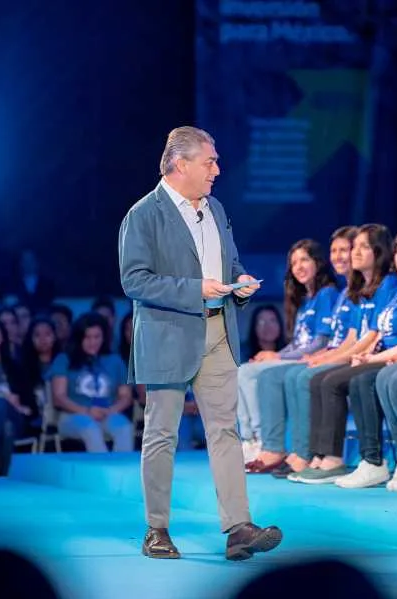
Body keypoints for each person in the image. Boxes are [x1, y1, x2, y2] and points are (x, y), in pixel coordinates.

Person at [118, 125, 281, 561]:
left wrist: (238, 279)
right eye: (209, 161)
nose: (217, 169)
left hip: (219, 330)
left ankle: (238, 527)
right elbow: (134, 280)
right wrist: (196, 289)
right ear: (180, 164)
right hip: (170, 334)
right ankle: (157, 529)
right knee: (162, 435)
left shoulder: (216, 208)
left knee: (226, 431)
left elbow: (227, 260)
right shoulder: (143, 214)